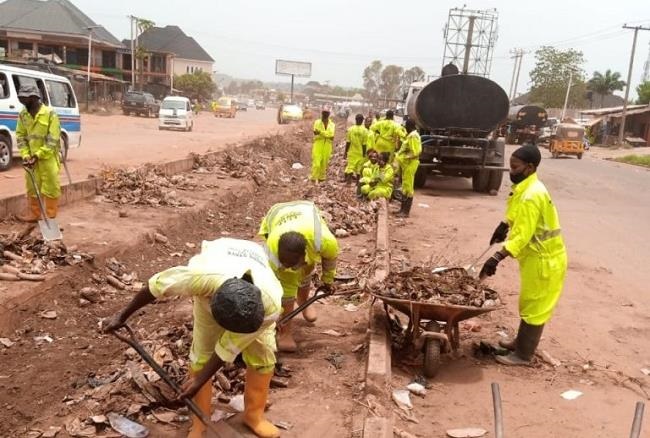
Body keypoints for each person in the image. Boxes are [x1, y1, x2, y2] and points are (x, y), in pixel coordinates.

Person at [104, 238, 283, 438]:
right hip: (218, 267)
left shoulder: (271, 306)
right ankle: (199, 424)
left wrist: (200, 380)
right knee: (202, 354)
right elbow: (156, 286)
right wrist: (122, 315)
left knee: (263, 356)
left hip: (253, 272)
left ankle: (254, 416)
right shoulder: (199, 278)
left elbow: (229, 347)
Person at [480, 145, 567, 366]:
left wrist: (497, 257)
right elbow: (515, 211)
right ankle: (520, 342)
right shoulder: (525, 187)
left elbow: (522, 236)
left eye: (515, 167)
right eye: (511, 166)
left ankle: (523, 355)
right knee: (528, 302)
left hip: (545, 260)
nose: (512, 171)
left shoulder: (532, 195)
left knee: (535, 307)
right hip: (535, 258)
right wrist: (504, 224)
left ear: (529, 167)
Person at [258, 201, 339, 352]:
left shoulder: (323, 240)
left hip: (306, 211)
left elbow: (330, 258)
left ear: (305, 252)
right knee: (287, 289)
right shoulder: (271, 252)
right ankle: (285, 333)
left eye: (293, 263)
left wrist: (327, 281)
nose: (289, 267)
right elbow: (279, 287)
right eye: (285, 263)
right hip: (275, 213)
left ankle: (303, 301)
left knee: (305, 269)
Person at [16, 85, 61, 222]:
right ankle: (34, 215)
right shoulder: (23, 114)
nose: (21, 101)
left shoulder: (50, 114)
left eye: (24, 98)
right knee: (32, 187)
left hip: (48, 159)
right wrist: (26, 155)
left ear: (34, 98)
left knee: (51, 187)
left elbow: (53, 139)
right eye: (20, 98)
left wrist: (38, 155)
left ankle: (51, 218)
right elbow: (21, 136)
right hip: (31, 161)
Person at [395, 119, 421, 217]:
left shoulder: (413, 136)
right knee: (405, 186)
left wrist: (404, 157)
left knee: (408, 187)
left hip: (410, 164)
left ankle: (405, 212)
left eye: (406, 126)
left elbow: (415, 152)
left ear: (409, 126)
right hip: (406, 164)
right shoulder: (411, 135)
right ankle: (402, 209)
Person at [310, 106, 336, 182]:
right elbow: (315, 132)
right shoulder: (317, 122)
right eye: (324, 112)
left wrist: (321, 132)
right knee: (316, 163)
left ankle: (321, 179)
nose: (325, 114)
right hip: (318, 144)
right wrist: (326, 134)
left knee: (324, 163)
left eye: (327, 113)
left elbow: (332, 135)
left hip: (327, 146)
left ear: (329, 114)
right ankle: (313, 178)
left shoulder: (332, 124)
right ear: (322, 113)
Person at [344, 114, 369, 184]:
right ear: (362, 121)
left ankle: (348, 181)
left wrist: (345, 152)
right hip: (360, 152)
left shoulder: (350, 129)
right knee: (359, 167)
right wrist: (364, 153)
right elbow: (364, 144)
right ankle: (358, 182)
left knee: (350, 166)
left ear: (355, 119)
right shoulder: (365, 131)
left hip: (352, 151)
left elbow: (348, 142)